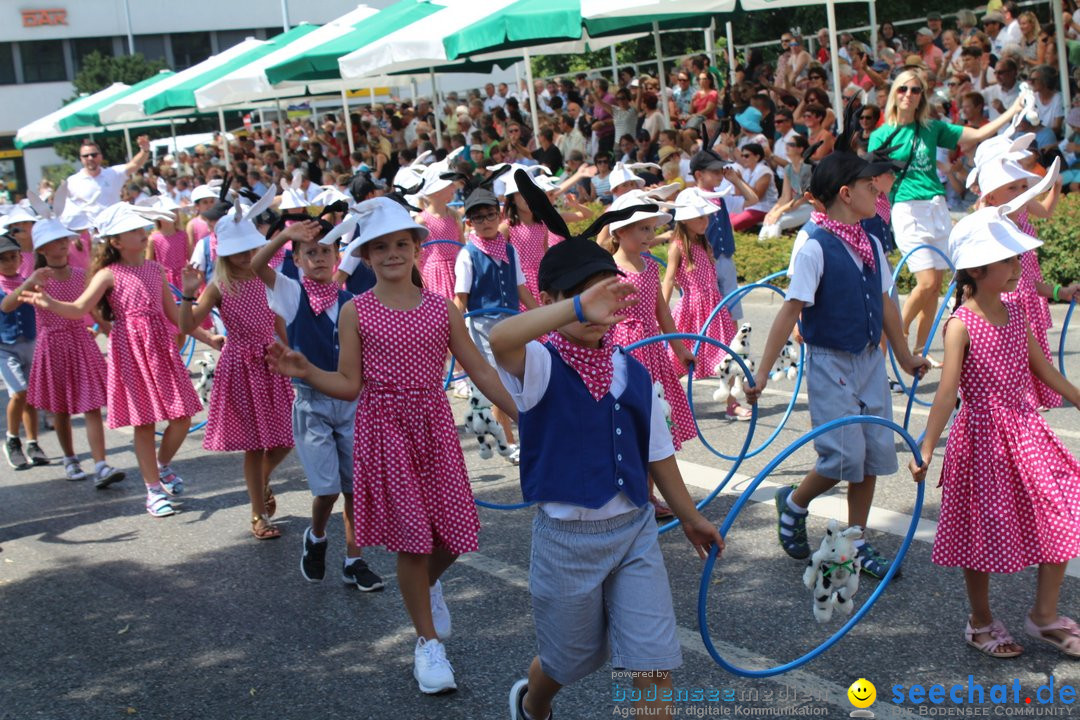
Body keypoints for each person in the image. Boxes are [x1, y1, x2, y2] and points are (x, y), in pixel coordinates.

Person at [268, 197, 517, 695]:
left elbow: (481, 368)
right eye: (379, 247)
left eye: (401, 243)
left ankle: (426, 585)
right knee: (413, 540)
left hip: (434, 426)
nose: (391, 254)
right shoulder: (355, 310)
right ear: (364, 256)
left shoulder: (441, 309)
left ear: (418, 247)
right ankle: (427, 644)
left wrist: (526, 411)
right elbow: (349, 384)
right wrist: (307, 371)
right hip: (384, 430)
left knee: (456, 534)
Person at [489, 235, 725, 720]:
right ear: (552, 300)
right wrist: (578, 305)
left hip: (633, 533)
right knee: (568, 660)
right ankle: (533, 702)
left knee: (653, 665)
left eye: (606, 293)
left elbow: (657, 452)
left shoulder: (632, 369)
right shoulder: (538, 363)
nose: (598, 307)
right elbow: (501, 339)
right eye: (582, 295)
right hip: (566, 540)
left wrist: (690, 517)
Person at [910, 173, 1080, 659]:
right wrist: (926, 445)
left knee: (1064, 509)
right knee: (979, 529)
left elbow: (1043, 368)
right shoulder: (961, 324)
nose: (1016, 266)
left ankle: (1043, 615)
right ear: (978, 269)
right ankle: (980, 620)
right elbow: (947, 395)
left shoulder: (1014, 311)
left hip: (1026, 427)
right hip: (982, 435)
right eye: (1007, 260)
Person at [747, 153, 929, 578]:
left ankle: (856, 540)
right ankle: (793, 503)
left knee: (871, 454)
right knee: (842, 456)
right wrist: (761, 372)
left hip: (869, 358)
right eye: (871, 186)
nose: (878, 192)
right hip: (831, 361)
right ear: (847, 194)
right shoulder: (814, 244)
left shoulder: (868, 239)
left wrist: (903, 356)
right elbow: (790, 312)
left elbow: (886, 300)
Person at [22, 203, 217, 518]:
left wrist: (204, 327)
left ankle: (162, 466)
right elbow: (78, 309)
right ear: (115, 241)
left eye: (142, 229)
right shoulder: (107, 275)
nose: (143, 234)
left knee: (182, 416)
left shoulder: (154, 269)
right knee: (144, 423)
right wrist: (49, 302)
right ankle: (153, 491)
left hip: (160, 349)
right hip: (130, 351)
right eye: (135, 231)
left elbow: (178, 320)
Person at [252, 213, 384, 588]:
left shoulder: (352, 301)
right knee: (326, 490)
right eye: (310, 252)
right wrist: (284, 237)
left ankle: (354, 560)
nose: (319, 258)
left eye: (326, 251)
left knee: (355, 487)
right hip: (311, 403)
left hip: (351, 402)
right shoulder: (292, 294)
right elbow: (258, 264)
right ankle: (317, 537)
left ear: (337, 256)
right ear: (297, 261)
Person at [868, 69, 1024, 365]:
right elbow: (875, 176)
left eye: (915, 90)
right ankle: (891, 344)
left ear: (921, 96)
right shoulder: (881, 135)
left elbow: (976, 135)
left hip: (936, 207)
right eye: (903, 89)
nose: (908, 95)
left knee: (936, 287)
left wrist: (1014, 110)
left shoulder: (931, 127)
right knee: (925, 283)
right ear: (893, 94)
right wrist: (887, 198)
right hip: (908, 209)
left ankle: (918, 352)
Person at [178, 195, 295, 541]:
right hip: (241, 364)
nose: (247, 258)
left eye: (251, 250)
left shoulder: (268, 277)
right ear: (225, 254)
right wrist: (187, 294)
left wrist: (289, 351)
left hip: (273, 360)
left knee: (287, 436)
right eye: (240, 253)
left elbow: (280, 319)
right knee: (255, 445)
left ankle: (260, 480)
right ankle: (258, 514)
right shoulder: (220, 285)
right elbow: (188, 326)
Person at [604, 192, 696, 519]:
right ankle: (634, 493)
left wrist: (680, 348)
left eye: (649, 229)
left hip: (652, 348)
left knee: (656, 421)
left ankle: (648, 495)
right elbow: (602, 315)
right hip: (624, 349)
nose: (648, 236)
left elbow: (661, 312)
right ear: (619, 232)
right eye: (641, 229)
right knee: (631, 421)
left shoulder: (647, 266)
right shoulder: (609, 270)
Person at [12, 217, 122, 485]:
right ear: (42, 249)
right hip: (52, 346)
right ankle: (70, 458)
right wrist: (29, 282)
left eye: (63, 239)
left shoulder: (80, 274)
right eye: (55, 241)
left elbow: (93, 307)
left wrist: (110, 330)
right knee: (60, 408)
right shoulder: (36, 278)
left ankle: (101, 464)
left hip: (81, 342)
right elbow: (7, 305)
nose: (62, 244)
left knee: (93, 404)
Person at [976, 155, 1074, 409]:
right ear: (991, 198)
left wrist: (1058, 291)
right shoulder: (989, 229)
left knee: (1036, 359)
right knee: (1012, 363)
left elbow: (1028, 280)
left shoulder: (1023, 225)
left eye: (1023, 187)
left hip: (1024, 304)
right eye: (1012, 187)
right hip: (1000, 310)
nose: (1022, 193)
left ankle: (1031, 399)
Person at [454, 182, 538, 461]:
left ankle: (524, 438)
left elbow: (522, 288)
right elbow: (461, 299)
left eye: (491, 215)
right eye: (479, 217)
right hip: (483, 327)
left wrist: (541, 317)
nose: (486, 222)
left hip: (512, 324)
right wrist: (449, 330)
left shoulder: (509, 250)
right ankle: (510, 441)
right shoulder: (468, 254)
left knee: (519, 381)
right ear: (469, 223)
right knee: (497, 385)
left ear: (500, 216)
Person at [661, 188, 743, 418]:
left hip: (714, 309)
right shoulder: (677, 246)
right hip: (691, 310)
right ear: (685, 219)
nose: (705, 221)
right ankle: (660, 400)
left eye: (706, 216)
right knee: (678, 360)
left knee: (727, 355)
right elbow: (668, 280)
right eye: (700, 217)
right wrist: (661, 311)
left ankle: (732, 404)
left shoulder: (705, 244)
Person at [0, 233, 49, 469]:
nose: (9, 262)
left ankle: (32, 442)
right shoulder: (9, 284)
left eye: (13, 256)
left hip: (31, 341)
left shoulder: (28, 281)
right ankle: (11, 439)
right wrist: (28, 285)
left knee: (31, 395)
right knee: (19, 391)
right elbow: (7, 305)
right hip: (5, 346)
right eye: (3, 259)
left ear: (21, 258)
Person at [65, 136, 151, 216]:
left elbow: (135, 164)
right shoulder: (73, 181)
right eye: (86, 156)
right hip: (90, 230)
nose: (90, 158)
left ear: (100, 156)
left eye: (94, 155)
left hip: (114, 227)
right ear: (81, 159)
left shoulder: (112, 173)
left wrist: (145, 150)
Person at [416, 168, 463, 300]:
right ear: (436, 192)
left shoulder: (454, 217)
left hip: (456, 271)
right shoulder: (422, 221)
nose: (454, 187)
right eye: (449, 185)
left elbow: (462, 248)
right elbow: (416, 254)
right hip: (432, 275)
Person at [760, 133, 813, 238]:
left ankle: (770, 250)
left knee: (777, 222)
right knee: (768, 221)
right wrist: (771, 212)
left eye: (791, 144)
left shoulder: (807, 168)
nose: (787, 146)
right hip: (796, 205)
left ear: (800, 149)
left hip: (812, 206)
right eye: (787, 144)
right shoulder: (788, 168)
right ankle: (761, 250)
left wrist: (779, 211)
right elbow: (785, 196)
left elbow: (803, 197)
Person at [729, 143, 778, 231]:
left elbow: (757, 196)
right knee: (725, 220)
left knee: (731, 225)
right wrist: (735, 181)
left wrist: (741, 181)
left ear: (757, 157)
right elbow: (738, 195)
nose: (743, 158)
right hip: (748, 207)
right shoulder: (747, 171)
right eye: (742, 156)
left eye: (746, 156)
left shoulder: (764, 171)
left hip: (763, 208)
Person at [146, 196, 188, 291]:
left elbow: (190, 257)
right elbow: (149, 264)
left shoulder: (183, 235)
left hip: (184, 278)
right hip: (165, 281)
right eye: (168, 211)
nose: (172, 214)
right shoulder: (153, 239)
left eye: (174, 210)